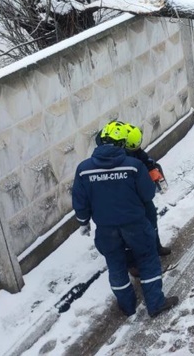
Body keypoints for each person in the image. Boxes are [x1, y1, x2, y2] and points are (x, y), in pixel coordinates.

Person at [73, 121, 179, 318]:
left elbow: (80, 201)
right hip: (135, 225)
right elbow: (147, 194)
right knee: (148, 260)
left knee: (115, 264)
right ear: (122, 144)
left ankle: (127, 306)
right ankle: (155, 303)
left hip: (106, 229)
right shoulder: (133, 166)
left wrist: (83, 221)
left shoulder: (84, 169)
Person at [94, 122, 171, 257]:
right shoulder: (109, 153)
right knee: (127, 229)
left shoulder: (129, 139)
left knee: (151, 215)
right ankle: (132, 260)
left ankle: (155, 246)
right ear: (123, 144)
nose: (136, 150)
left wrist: (150, 166)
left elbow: (140, 154)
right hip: (122, 196)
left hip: (139, 189)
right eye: (132, 149)